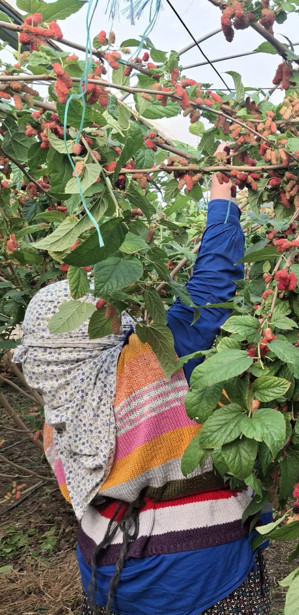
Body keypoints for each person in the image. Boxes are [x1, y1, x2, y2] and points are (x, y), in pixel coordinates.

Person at [13, 145, 270, 615]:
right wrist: (222, 203)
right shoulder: (148, 360)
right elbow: (210, 292)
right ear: (83, 338)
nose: (122, 317)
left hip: (107, 571)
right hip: (197, 573)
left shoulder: (56, 400)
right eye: (105, 314)